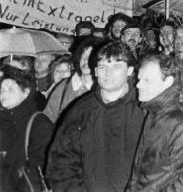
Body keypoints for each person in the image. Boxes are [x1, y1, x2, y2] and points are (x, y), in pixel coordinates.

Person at [47, 41, 145, 192]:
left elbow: (155, 163)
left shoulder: (144, 110)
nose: (108, 73)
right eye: (102, 67)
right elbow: (61, 162)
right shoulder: (81, 110)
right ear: (96, 72)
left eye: (116, 67)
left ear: (130, 70)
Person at [129, 52, 183, 191]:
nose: (138, 85)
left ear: (168, 82)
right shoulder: (155, 112)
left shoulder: (182, 123)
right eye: (139, 79)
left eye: (147, 80)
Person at [0, 65, 54, 192]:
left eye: (10, 88)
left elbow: (47, 168)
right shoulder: (2, 121)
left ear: (26, 91)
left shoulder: (38, 123)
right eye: (1, 89)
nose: (4, 93)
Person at [43, 35, 99, 123]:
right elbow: (48, 117)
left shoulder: (102, 88)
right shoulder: (64, 85)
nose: (85, 62)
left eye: (90, 58)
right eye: (83, 57)